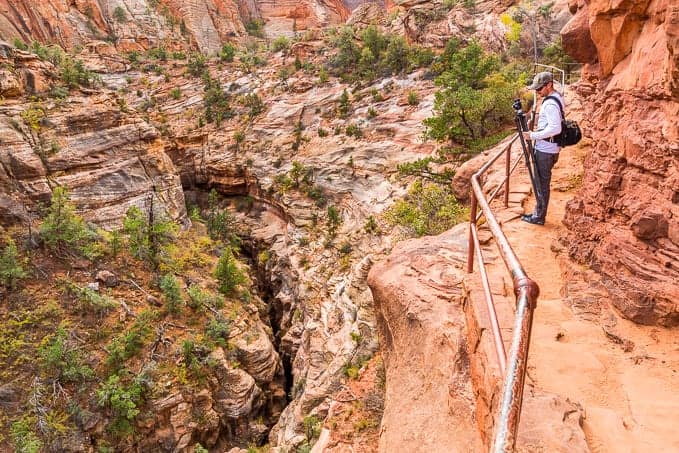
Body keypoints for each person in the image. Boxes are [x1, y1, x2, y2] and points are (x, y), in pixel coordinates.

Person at [521, 71, 563, 225]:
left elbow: (555, 128)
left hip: (545, 150)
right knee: (542, 184)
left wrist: (532, 136)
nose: (537, 92)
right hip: (550, 148)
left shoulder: (550, 103)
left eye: (539, 89)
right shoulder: (557, 98)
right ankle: (538, 213)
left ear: (549, 85)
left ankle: (539, 217)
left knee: (542, 185)